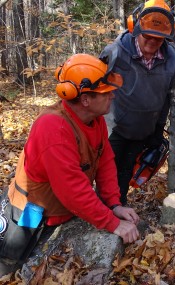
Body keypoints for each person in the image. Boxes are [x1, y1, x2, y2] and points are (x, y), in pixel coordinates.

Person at [0, 54, 140, 276]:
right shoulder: (53, 128)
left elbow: (105, 162)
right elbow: (71, 189)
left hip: (64, 211)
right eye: (106, 92)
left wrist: (114, 204)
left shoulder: (95, 121)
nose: (113, 96)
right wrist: (113, 224)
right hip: (30, 214)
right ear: (85, 99)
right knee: (9, 267)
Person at [99, 0, 175, 205]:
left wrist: (158, 129)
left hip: (144, 129)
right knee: (106, 172)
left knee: (126, 171)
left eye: (158, 39)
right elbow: (97, 89)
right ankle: (101, 210)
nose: (152, 42)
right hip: (113, 128)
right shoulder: (114, 53)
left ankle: (120, 204)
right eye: (148, 36)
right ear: (136, 28)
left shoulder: (171, 60)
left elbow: (166, 98)